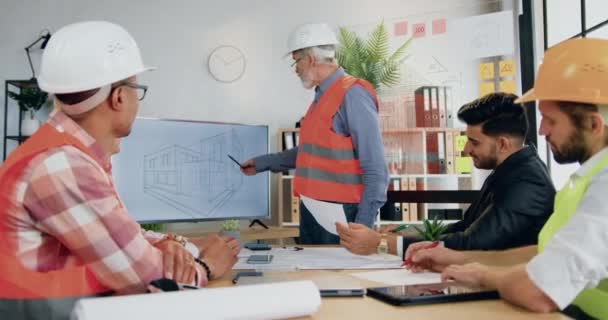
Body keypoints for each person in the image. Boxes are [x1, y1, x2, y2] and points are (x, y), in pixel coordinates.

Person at [0, 21, 238, 299]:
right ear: (119, 97)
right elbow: (146, 281)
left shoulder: (70, 152)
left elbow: (125, 236)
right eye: (137, 90)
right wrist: (206, 266)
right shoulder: (61, 164)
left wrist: (177, 243)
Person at [405, 38, 608, 319]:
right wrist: (456, 258)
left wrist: (485, 276)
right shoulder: (590, 176)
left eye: (550, 120)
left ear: (594, 125)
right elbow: (543, 255)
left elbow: (538, 290)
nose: (541, 131)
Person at [337, 92, 555, 256]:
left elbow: (472, 244)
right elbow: (464, 227)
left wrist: (382, 244)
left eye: (474, 142)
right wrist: (408, 231)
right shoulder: (509, 170)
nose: (465, 150)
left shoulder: (528, 182)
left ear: (502, 144)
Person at [240, 23, 389, 244]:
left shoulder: (353, 94)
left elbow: (376, 168)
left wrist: (362, 227)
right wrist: (263, 163)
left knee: (338, 279)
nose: (295, 69)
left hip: (343, 216)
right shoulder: (322, 96)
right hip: (314, 210)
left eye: (296, 61)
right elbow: (310, 152)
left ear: (310, 59)